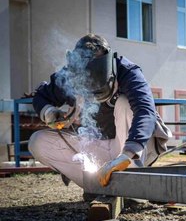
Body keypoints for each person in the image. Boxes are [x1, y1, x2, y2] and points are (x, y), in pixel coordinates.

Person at [28, 34, 172, 192]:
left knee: (124, 103)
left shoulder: (128, 72)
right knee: (38, 141)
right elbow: (41, 96)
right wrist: (49, 112)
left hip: (130, 148)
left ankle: (132, 185)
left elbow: (145, 111)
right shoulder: (70, 74)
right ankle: (97, 185)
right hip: (97, 147)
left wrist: (127, 154)